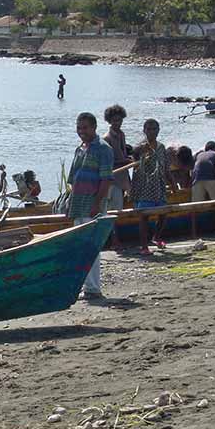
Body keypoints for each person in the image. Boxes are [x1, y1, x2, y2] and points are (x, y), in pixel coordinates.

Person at [68, 112, 113, 299]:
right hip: (78, 204)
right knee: (80, 248)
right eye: (79, 128)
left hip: (92, 206)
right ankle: (85, 286)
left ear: (94, 128)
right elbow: (73, 180)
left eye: (85, 128)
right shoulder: (80, 149)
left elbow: (105, 180)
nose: (81, 131)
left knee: (91, 248)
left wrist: (97, 204)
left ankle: (93, 288)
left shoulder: (103, 149)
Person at [130, 119, 174, 256]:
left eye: (154, 129)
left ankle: (157, 237)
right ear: (144, 131)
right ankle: (144, 246)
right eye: (148, 129)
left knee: (163, 213)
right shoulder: (140, 148)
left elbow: (166, 169)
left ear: (158, 130)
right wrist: (140, 152)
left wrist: (172, 184)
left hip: (159, 186)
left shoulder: (161, 148)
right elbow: (134, 156)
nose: (151, 132)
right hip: (144, 188)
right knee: (144, 216)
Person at [103, 104, 131, 249]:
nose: (117, 123)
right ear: (109, 121)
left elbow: (123, 155)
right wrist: (125, 161)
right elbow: (109, 163)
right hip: (112, 180)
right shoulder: (107, 139)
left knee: (118, 211)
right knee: (112, 212)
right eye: (114, 120)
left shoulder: (121, 135)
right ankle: (113, 241)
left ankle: (115, 240)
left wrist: (127, 160)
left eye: (119, 120)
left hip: (122, 178)